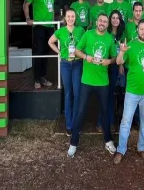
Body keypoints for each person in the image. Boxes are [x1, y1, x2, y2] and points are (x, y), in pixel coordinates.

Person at [68, 13, 117, 158]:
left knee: (105, 111)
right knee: (80, 111)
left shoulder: (109, 38)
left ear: (107, 25)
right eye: (100, 20)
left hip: (103, 81)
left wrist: (109, 61)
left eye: (105, 22)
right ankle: (73, 143)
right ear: (96, 22)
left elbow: (115, 57)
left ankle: (108, 140)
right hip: (87, 80)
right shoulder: (88, 34)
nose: (102, 23)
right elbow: (77, 50)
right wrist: (85, 57)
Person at [113, 20, 144, 164]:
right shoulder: (130, 45)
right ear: (137, 30)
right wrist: (122, 51)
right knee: (126, 121)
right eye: (141, 29)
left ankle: (141, 148)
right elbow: (118, 62)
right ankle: (121, 150)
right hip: (132, 91)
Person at [48, 9, 85, 136]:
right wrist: (60, 53)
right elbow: (50, 42)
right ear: (65, 18)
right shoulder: (60, 31)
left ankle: (76, 123)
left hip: (77, 64)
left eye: (72, 16)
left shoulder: (80, 30)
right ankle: (69, 125)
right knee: (68, 94)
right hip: (65, 64)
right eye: (68, 16)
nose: (70, 18)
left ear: (75, 17)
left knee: (77, 94)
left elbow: (84, 45)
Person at [24, 0, 55, 89]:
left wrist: (53, 24)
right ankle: (36, 79)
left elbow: (51, 9)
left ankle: (43, 77)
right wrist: (28, 18)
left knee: (46, 52)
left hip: (49, 27)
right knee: (39, 51)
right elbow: (26, 4)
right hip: (39, 26)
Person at [96, 10, 126, 134]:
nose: (115, 20)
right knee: (104, 94)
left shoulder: (122, 34)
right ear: (109, 20)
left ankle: (111, 121)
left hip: (114, 66)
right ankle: (100, 122)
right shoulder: (106, 32)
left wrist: (121, 65)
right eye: (113, 18)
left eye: (117, 18)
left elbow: (123, 51)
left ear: (120, 20)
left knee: (112, 94)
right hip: (103, 66)